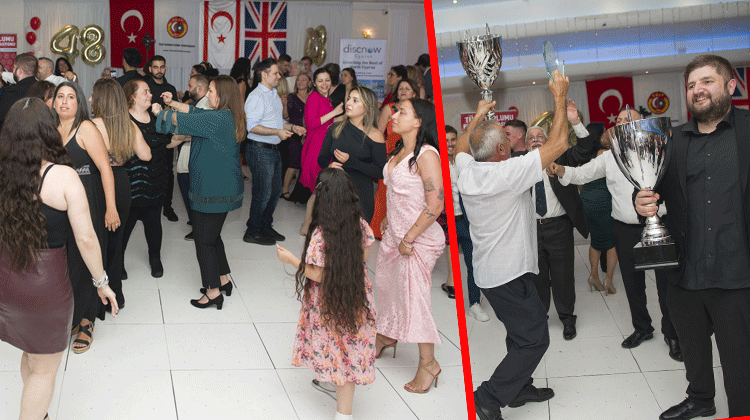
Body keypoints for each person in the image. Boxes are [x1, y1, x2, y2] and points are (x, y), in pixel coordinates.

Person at [636, 54, 750, 420]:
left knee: (739, 361)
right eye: (690, 85)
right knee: (692, 348)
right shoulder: (672, 142)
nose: (697, 90)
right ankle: (701, 399)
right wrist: (642, 202)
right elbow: (650, 189)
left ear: (730, 86)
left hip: (736, 274)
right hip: (685, 270)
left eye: (707, 81)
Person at [460, 71, 569, 420]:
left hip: (493, 273)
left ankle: (519, 388)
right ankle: (487, 397)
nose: (509, 142)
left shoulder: (467, 169)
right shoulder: (507, 173)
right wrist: (559, 96)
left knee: (519, 332)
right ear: (501, 150)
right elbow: (559, 144)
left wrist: (479, 115)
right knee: (535, 338)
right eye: (506, 139)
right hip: (508, 274)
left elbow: (461, 146)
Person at [0, 98, 118, 420]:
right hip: (45, 285)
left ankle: (39, 414)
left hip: (8, 278)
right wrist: (101, 282)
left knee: (31, 352)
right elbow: (86, 238)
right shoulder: (63, 176)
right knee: (44, 368)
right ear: (48, 130)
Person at [549, 109, 681, 360]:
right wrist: (562, 170)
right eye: (618, 120)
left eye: (628, 119)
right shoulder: (610, 156)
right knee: (632, 284)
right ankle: (642, 328)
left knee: (666, 284)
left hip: (658, 225)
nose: (621, 123)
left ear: (641, 124)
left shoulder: (658, 149)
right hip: (624, 228)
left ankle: (672, 333)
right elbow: (583, 173)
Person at [276, 168, 377, 420]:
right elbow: (364, 255)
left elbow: (318, 274)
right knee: (350, 347)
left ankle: (344, 413)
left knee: (337, 350)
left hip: (329, 302)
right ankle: (337, 384)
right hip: (356, 295)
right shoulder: (359, 224)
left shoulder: (321, 235)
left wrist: (291, 259)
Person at [156, 75, 246, 309]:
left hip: (213, 189)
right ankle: (223, 279)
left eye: (212, 91)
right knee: (213, 236)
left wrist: (160, 111)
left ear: (223, 95)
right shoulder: (226, 115)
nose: (207, 94)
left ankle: (212, 291)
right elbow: (196, 112)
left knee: (204, 241)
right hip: (221, 187)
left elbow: (181, 121)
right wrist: (173, 103)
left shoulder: (217, 119)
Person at [374, 98, 445, 393]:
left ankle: (428, 363)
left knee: (415, 299)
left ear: (418, 121)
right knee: (387, 287)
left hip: (416, 240)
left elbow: (436, 204)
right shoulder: (399, 149)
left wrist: (409, 238)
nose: (394, 115)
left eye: (402, 112)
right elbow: (401, 193)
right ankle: (386, 335)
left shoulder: (426, 154)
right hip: (395, 235)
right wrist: (389, 217)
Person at [52, 81, 119, 354]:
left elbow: (105, 169)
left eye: (70, 97)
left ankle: (87, 320)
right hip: (60, 203)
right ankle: (75, 312)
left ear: (79, 102)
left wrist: (111, 207)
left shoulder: (86, 128)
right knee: (68, 261)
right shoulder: (50, 130)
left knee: (88, 258)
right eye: (60, 96)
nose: (64, 101)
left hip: (88, 200)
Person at [524, 98, 594, 340]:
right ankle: (540, 318)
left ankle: (567, 318)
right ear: (525, 144)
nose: (535, 140)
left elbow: (585, 149)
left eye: (539, 137)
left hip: (559, 227)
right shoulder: (519, 164)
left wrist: (574, 121)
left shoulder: (562, 157)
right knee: (538, 277)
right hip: (531, 230)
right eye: (530, 138)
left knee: (563, 276)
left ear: (547, 141)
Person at [91, 78, 151, 309]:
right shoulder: (128, 125)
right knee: (116, 244)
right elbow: (146, 155)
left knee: (95, 242)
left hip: (97, 183)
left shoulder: (91, 125)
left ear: (101, 99)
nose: (90, 99)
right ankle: (116, 295)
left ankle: (96, 296)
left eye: (93, 95)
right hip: (122, 183)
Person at [243, 58, 306, 245]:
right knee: (263, 193)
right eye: (276, 73)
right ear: (264, 74)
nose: (280, 76)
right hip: (259, 149)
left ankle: (265, 225)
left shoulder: (274, 95)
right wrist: (277, 132)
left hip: (273, 149)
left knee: (275, 191)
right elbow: (252, 127)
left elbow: (278, 122)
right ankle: (252, 230)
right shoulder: (256, 96)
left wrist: (292, 127)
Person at [121, 79, 174, 279]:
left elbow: (168, 139)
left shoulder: (154, 117)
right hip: (132, 183)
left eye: (149, 91)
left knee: (154, 224)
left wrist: (161, 115)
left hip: (156, 179)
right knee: (125, 227)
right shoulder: (123, 120)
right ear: (132, 97)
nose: (150, 95)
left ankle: (155, 258)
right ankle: (117, 261)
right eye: (145, 92)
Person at [318, 86, 386, 223]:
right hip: (335, 189)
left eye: (355, 101)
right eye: (349, 99)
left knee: (357, 234)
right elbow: (322, 158)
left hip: (360, 194)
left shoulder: (375, 135)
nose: (348, 103)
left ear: (367, 107)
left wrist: (352, 162)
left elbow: (380, 172)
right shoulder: (335, 128)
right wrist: (329, 166)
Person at [446, 124, 488, 321]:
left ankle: (474, 303)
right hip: (446, 222)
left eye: (453, 139)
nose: (450, 144)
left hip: (466, 221)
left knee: (472, 264)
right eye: (446, 140)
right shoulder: (435, 164)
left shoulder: (470, 163)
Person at [371, 78, 420, 239]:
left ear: (414, 93)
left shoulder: (419, 111)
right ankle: (379, 230)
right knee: (384, 192)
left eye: (407, 88)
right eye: (400, 88)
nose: (403, 91)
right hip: (390, 155)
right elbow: (378, 133)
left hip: (410, 155)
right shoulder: (389, 109)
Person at [299, 68, 343, 235]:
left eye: (327, 80)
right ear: (314, 83)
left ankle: (317, 225)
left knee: (322, 189)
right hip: (316, 148)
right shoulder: (314, 98)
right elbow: (311, 124)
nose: (324, 84)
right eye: (320, 81)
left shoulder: (326, 99)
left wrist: (343, 115)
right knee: (318, 189)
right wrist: (335, 112)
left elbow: (329, 122)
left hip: (324, 146)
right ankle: (306, 226)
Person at [144, 55, 180, 223]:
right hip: (146, 134)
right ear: (150, 68)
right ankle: (147, 206)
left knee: (167, 172)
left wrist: (166, 111)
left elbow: (174, 112)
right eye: (155, 67)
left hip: (166, 135)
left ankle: (168, 206)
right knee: (147, 170)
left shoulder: (170, 88)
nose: (159, 70)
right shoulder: (145, 86)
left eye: (161, 67)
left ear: (165, 68)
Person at [177, 73, 211, 240]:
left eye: (190, 86)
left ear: (200, 88)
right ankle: (196, 223)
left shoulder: (206, 105)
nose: (187, 89)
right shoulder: (196, 103)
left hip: (196, 156)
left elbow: (197, 130)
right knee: (188, 191)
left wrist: (180, 133)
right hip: (189, 153)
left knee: (193, 194)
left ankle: (199, 228)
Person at [281, 73, 312, 200]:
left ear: (309, 83)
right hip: (294, 133)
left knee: (305, 163)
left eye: (304, 79)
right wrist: (284, 104)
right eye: (298, 80)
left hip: (308, 133)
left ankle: (301, 192)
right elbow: (284, 116)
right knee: (293, 163)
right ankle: (284, 189)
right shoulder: (292, 97)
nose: (300, 82)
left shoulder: (312, 97)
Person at [0, 53, 38, 128]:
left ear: (19, 71)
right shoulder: (42, 87)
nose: (13, 70)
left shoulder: (13, 91)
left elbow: (2, 116)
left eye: (14, 67)